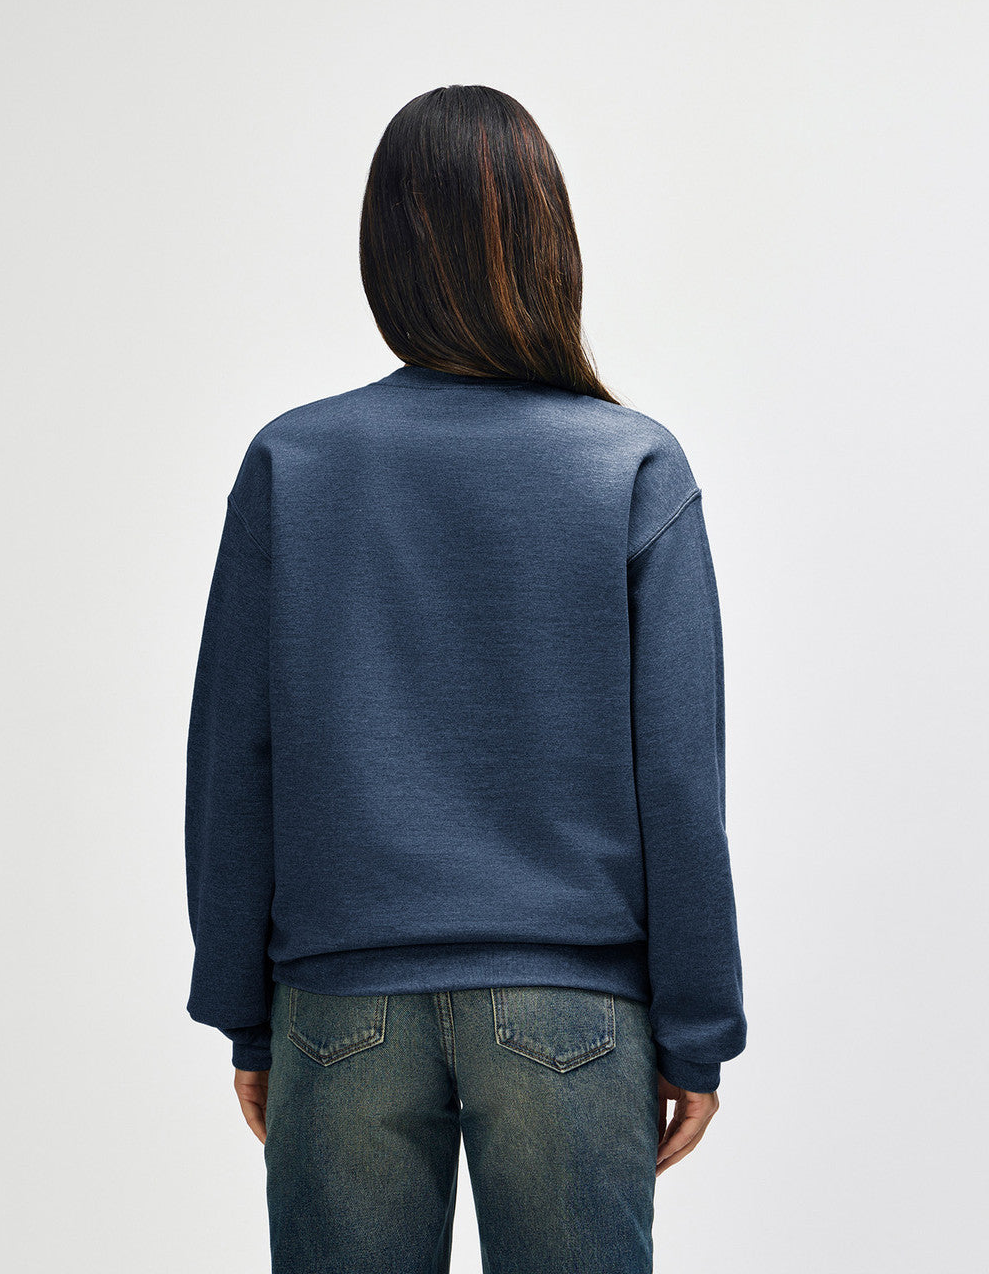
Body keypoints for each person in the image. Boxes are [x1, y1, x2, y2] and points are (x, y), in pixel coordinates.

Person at [184, 83, 747, 1274]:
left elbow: (234, 760)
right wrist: (695, 1030)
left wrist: (244, 1007)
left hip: (340, 1007)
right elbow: (679, 777)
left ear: (384, 254)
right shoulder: (631, 465)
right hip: (572, 1010)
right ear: (551, 243)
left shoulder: (293, 461)